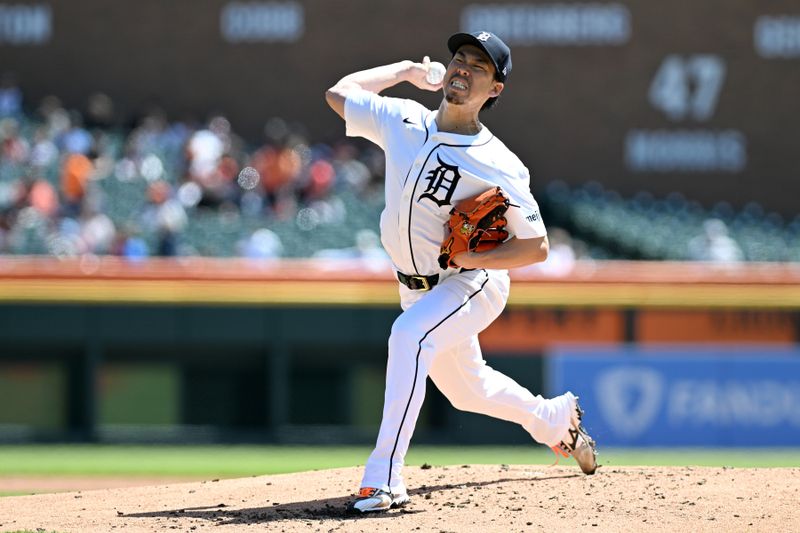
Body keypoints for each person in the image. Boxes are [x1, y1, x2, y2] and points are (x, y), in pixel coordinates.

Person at [325, 31, 597, 514]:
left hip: (472, 283)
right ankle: (554, 420)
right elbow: (339, 94)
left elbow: (536, 245)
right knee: (470, 389)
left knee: (408, 336)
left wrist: (478, 260)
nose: (463, 69)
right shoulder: (403, 119)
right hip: (419, 289)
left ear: (494, 89)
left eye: (480, 67)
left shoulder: (499, 163)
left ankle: (384, 478)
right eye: (460, 58)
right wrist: (406, 72)